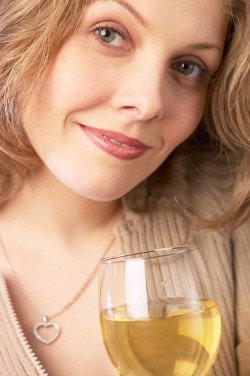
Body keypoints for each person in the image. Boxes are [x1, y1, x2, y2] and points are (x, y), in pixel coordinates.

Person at [0, 0, 248, 375]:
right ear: (21, 27)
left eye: (187, 67)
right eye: (109, 34)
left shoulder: (234, 222)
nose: (149, 103)